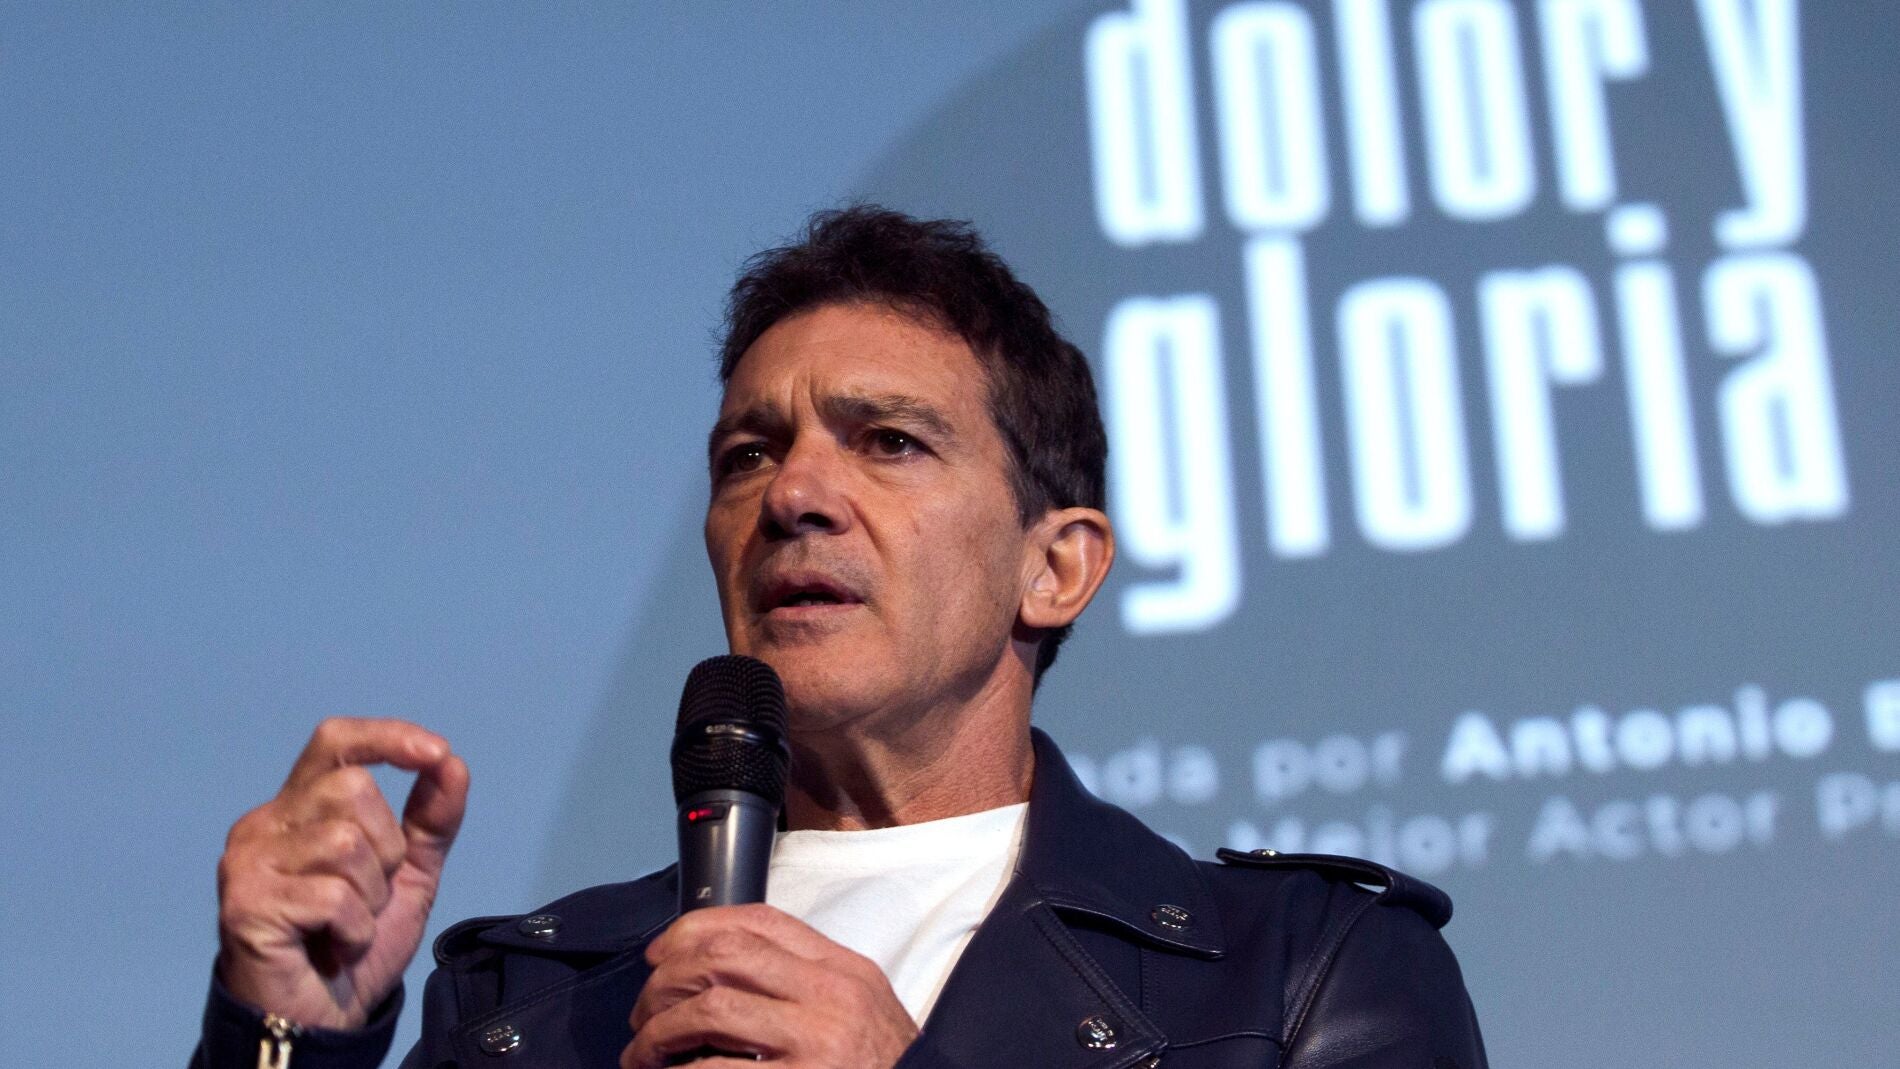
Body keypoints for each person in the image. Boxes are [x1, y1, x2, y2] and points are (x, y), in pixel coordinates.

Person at [193, 207, 1488, 1068]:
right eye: (750, 454)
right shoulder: (529, 1004)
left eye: (890, 442)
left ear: (1056, 567)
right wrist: (288, 1032)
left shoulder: (1299, 974)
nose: (797, 494)